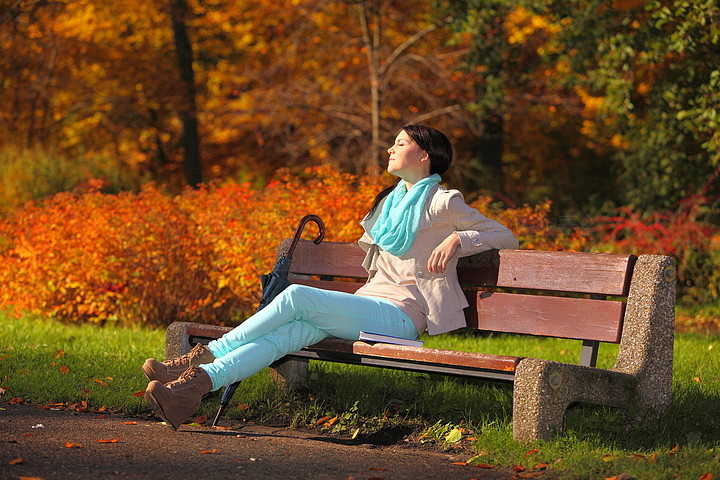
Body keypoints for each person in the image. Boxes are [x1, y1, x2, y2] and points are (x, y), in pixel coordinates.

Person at [142, 124, 519, 430]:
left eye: (400, 143)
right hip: (368, 305)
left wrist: (457, 238)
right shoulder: (389, 204)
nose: (390, 149)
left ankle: (205, 355)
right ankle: (189, 391)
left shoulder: (443, 202)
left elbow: (507, 236)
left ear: (423, 155)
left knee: (296, 298)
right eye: (392, 143)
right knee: (288, 333)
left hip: (403, 315)